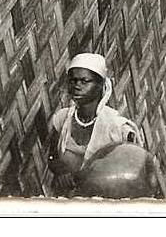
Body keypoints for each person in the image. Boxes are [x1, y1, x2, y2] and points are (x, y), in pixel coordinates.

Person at [47, 53, 144, 196]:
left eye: (85, 81)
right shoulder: (62, 119)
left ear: (100, 86)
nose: (77, 86)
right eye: (73, 81)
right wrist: (63, 173)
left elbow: (134, 172)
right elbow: (52, 159)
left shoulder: (118, 128)